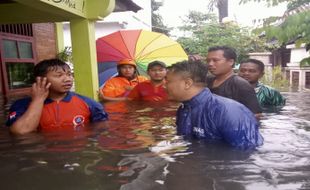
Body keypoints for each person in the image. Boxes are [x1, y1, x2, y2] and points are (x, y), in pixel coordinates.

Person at [165, 60, 263, 149]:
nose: (165, 86)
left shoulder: (227, 111)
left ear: (187, 83)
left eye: (168, 81)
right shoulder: (184, 109)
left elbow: (247, 155)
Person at [6, 58, 108, 135]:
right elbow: (20, 132)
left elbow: (101, 131)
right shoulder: (22, 105)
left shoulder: (90, 104)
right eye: (59, 75)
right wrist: (38, 100)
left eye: (69, 74)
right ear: (40, 79)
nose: (68, 79)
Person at [206, 46, 262, 118]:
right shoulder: (206, 82)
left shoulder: (241, 85)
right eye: (208, 61)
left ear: (230, 62)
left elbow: (256, 115)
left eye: (215, 60)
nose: (210, 64)